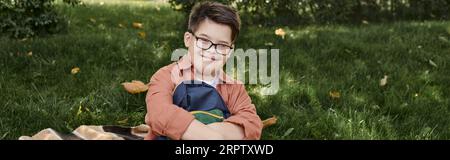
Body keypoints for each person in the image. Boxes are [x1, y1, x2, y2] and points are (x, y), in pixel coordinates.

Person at [144, 1, 262, 140]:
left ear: (230, 51)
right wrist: (212, 137)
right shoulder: (166, 76)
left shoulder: (235, 88)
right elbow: (159, 113)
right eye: (204, 41)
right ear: (188, 39)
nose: (212, 51)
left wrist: (205, 132)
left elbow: (252, 124)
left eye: (222, 45)